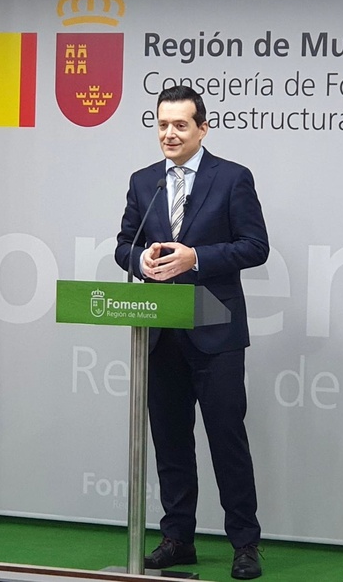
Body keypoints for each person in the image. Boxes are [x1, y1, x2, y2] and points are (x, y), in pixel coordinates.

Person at [114, 85, 269, 580]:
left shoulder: (232, 178)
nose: (169, 134)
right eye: (162, 124)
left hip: (215, 331)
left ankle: (244, 543)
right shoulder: (144, 182)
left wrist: (196, 257)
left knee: (227, 439)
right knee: (171, 441)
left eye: (180, 125)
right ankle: (178, 538)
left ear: (203, 128)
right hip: (161, 331)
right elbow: (124, 244)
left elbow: (255, 246)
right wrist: (139, 260)